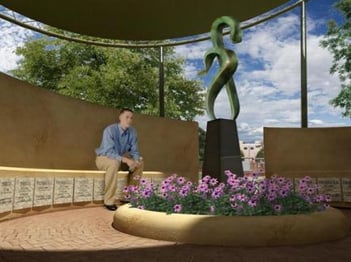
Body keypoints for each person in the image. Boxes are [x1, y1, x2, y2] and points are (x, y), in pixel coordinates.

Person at [95, 108, 143, 211]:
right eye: (127, 117)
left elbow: (134, 151)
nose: (129, 120)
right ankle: (109, 201)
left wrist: (136, 160)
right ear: (120, 117)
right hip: (104, 158)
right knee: (113, 163)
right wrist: (125, 160)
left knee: (140, 163)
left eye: (131, 118)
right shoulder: (110, 130)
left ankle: (129, 197)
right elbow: (108, 152)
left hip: (119, 160)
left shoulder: (132, 132)